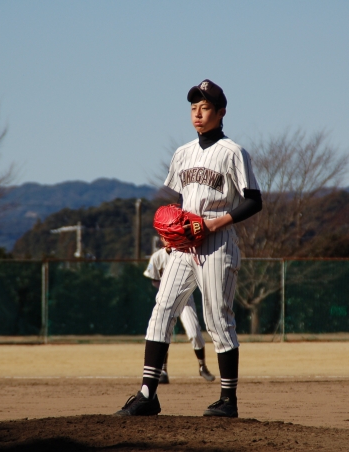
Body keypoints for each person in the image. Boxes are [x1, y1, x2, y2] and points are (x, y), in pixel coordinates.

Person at [115, 79, 262, 418]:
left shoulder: (233, 152)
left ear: (221, 113)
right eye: (193, 107)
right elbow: (183, 203)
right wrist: (173, 232)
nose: (197, 113)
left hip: (217, 242)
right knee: (162, 311)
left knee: (217, 319)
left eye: (205, 107)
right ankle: (147, 394)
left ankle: (228, 399)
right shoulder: (182, 153)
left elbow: (254, 201)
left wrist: (214, 224)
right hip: (184, 246)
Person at [143, 240, 215, 384]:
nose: (167, 239)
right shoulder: (157, 257)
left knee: (194, 333)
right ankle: (163, 371)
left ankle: (202, 367)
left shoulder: (186, 254)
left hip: (186, 299)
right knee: (161, 333)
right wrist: (164, 290)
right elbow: (154, 279)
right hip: (167, 300)